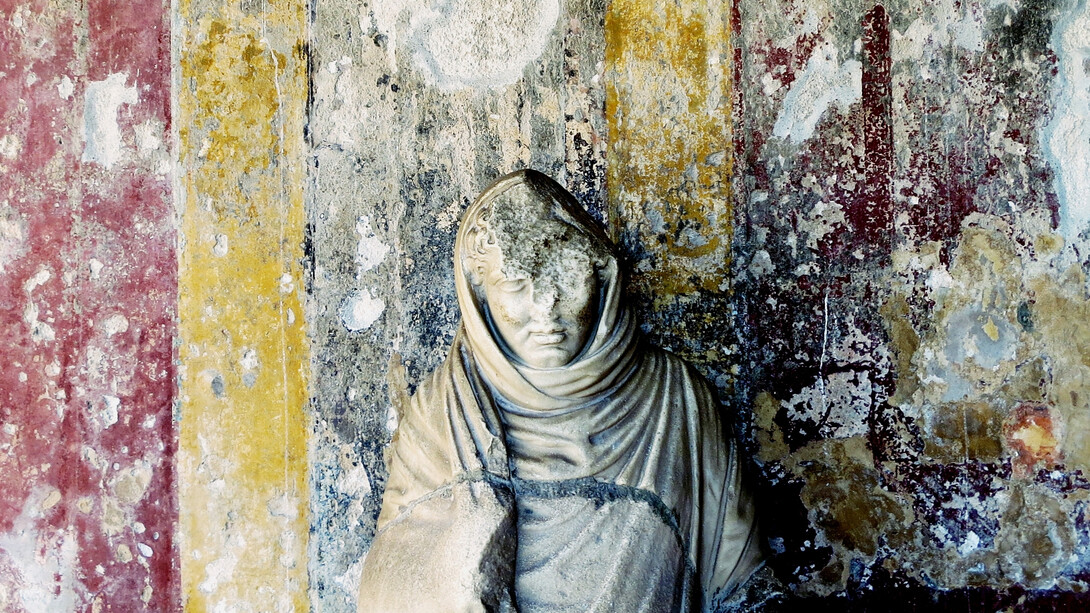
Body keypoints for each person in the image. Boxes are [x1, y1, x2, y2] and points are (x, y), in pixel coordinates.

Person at [358, 170, 761, 612]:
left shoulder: (676, 399)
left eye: (566, 279)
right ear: (478, 293)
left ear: (601, 277)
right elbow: (392, 583)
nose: (545, 309)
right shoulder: (444, 408)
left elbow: (743, 585)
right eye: (516, 285)